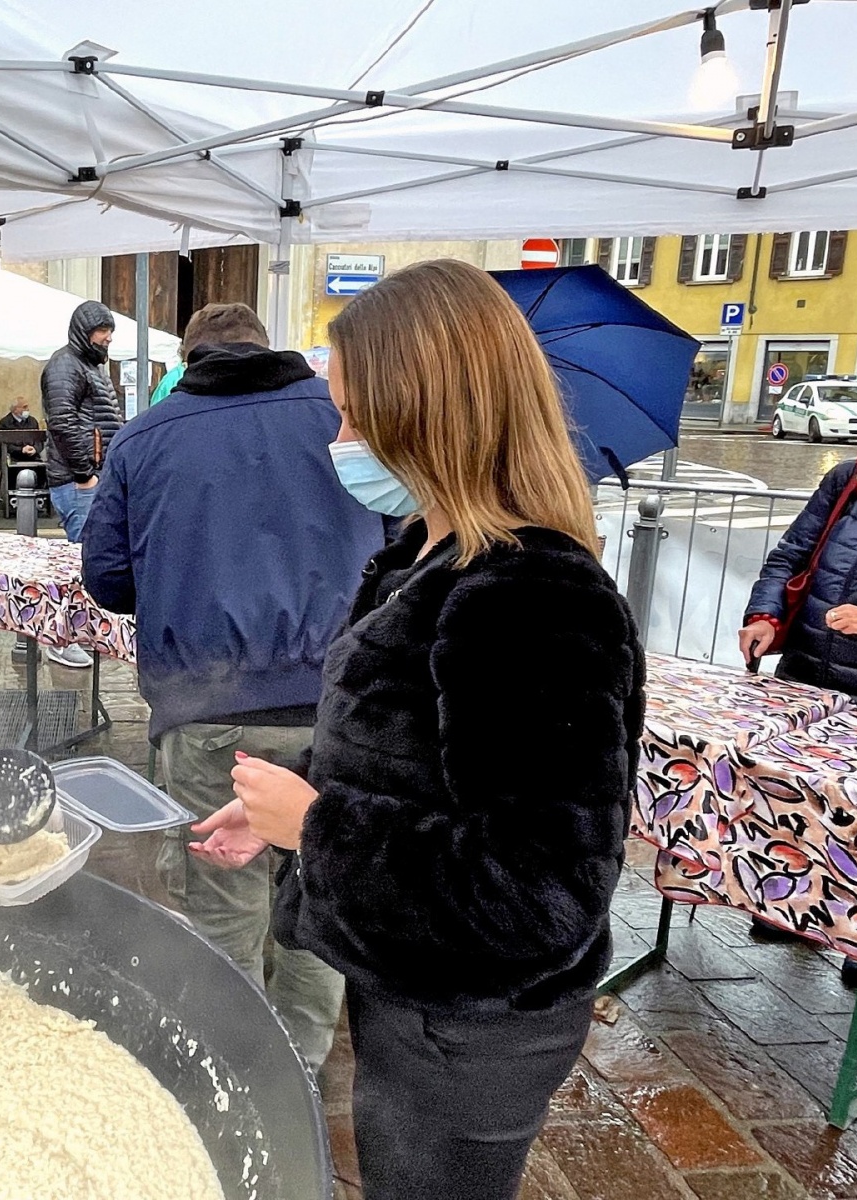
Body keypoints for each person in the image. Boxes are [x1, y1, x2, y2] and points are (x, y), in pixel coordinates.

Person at [191, 261, 644, 1200]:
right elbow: (408, 746)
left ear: (430, 417)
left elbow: (540, 889)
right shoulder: (427, 556)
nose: (341, 440)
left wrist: (317, 827)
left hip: (475, 1020)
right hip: (416, 985)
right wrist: (289, 815)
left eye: (357, 416)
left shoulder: (527, 598)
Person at [81, 302, 383, 1072]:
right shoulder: (342, 415)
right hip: (338, 703)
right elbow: (399, 546)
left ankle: (244, 1076)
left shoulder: (144, 435)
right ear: (265, 344)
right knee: (324, 897)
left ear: (189, 359)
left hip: (207, 706)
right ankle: (303, 1067)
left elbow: (107, 578)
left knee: (223, 904)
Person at [739, 364, 857, 986]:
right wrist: (764, 612)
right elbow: (792, 551)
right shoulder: (849, 479)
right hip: (810, 670)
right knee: (795, 798)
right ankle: (788, 905)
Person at [42, 300, 122, 547]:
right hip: (79, 482)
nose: (108, 337)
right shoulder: (65, 364)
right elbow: (62, 423)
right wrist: (85, 474)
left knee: (96, 553)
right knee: (86, 555)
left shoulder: (89, 366)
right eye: (102, 330)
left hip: (90, 478)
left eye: (110, 331)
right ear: (84, 331)